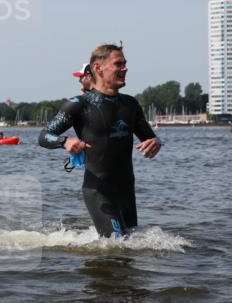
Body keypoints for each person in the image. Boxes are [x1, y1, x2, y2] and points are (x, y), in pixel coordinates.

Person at [39, 43, 161, 237]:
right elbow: (44, 135)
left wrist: (156, 143)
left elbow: (149, 137)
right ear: (98, 68)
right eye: (118, 64)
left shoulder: (130, 104)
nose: (125, 69)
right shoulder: (79, 104)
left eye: (125, 64)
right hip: (98, 189)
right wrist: (65, 142)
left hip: (126, 189)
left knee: (129, 249)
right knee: (117, 244)